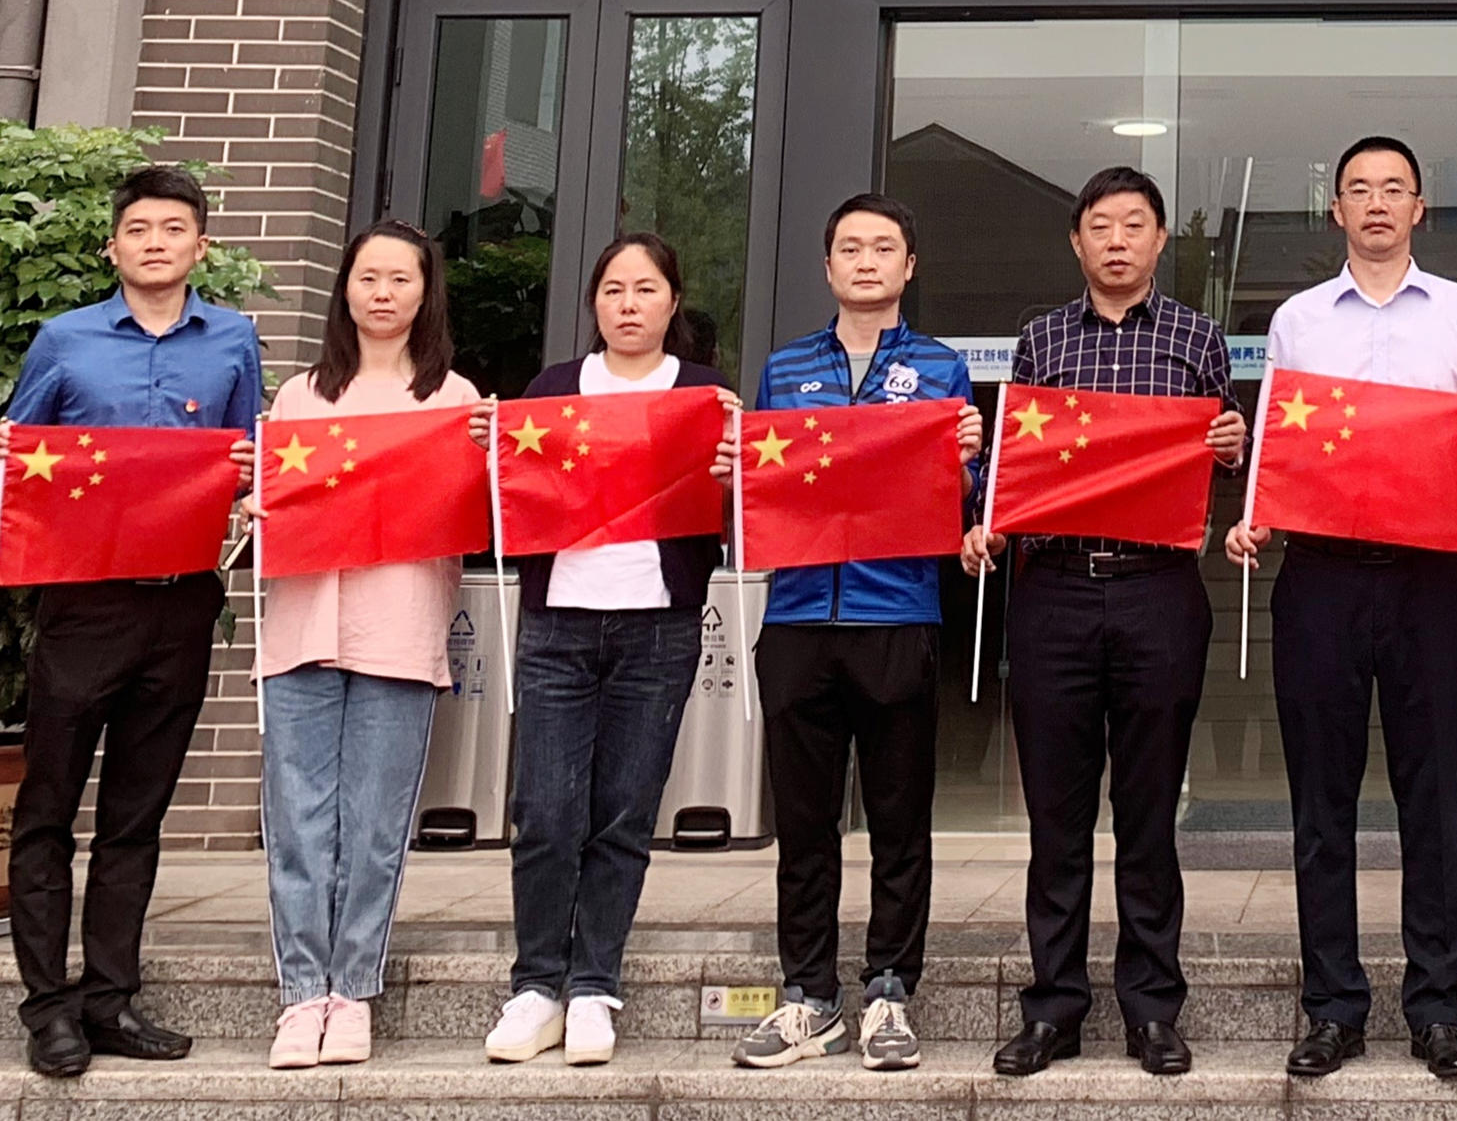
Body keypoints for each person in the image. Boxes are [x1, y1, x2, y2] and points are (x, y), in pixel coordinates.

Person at [0, 166, 262, 1080]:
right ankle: (47, 1008)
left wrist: (251, 476)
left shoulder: (234, 340)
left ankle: (109, 998)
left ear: (201, 246)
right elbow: (12, 462)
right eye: (138, 229)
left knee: (137, 815)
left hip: (180, 602)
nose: (155, 242)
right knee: (49, 807)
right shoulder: (66, 339)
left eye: (173, 228)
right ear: (113, 248)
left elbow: (243, 464)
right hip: (82, 599)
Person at [1224, 135, 1457, 1082]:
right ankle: (1332, 1007)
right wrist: (1255, 519)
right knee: (1321, 803)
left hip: (1429, 577)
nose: (1377, 203)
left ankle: (1437, 1007)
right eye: (1359, 189)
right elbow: (1279, 446)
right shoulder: (1297, 319)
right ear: (1335, 209)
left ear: (1420, 208)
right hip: (1322, 577)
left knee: (1433, 799)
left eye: (1394, 189)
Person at [976, 168, 1244, 1080]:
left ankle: (1152, 1008)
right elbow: (1015, 462)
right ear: (1077, 242)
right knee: (1056, 815)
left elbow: (1232, 459)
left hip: (1157, 590)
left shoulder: (1198, 338)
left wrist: (1232, 446)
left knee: (1148, 812)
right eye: (1101, 226)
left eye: (1135, 224)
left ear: (1161, 240)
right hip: (1052, 589)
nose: (1118, 240)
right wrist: (988, 519)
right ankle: (1053, 1007)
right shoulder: (1041, 339)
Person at [733, 194, 985, 1072]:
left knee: (898, 822)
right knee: (804, 826)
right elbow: (762, 487)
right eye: (850, 247)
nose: (866, 260)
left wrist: (968, 462)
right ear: (828, 265)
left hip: (898, 616)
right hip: (797, 619)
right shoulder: (785, 368)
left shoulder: (942, 370)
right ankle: (808, 995)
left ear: (909, 266)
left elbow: (960, 498)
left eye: (884, 247)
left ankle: (889, 991)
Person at [487, 232, 736, 1067]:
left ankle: (594, 984)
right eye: (614, 290)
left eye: (646, 289)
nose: (629, 305)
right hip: (559, 622)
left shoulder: (704, 395)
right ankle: (536, 984)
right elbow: (512, 495)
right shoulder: (554, 390)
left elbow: (736, 513)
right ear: (594, 303)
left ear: (674, 301)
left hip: (658, 625)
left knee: (626, 812)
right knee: (546, 812)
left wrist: (734, 470)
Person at [256, 220, 483, 1069]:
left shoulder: (454, 400)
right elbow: (275, 499)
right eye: (368, 278)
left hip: (398, 630)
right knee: (298, 824)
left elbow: (478, 512)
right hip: (302, 629)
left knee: (375, 827)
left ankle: (352, 990)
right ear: (344, 288)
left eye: (401, 279)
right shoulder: (299, 397)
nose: (382, 293)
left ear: (426, 294)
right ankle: (299, 994)